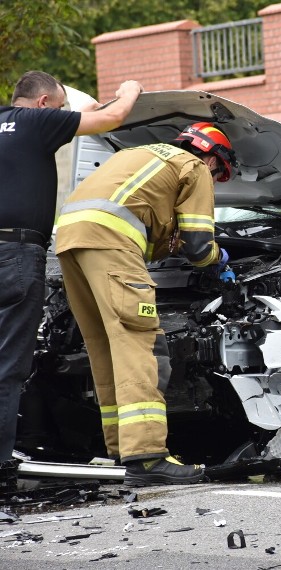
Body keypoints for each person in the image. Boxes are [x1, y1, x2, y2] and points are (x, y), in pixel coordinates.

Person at [54, 122, 236, 486]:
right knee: (142, 344)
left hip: (69, 241)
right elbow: (200, 247)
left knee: (105, 347)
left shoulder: (137, 155)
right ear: (211, 155)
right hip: (111, 241)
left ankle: (120, 449)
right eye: (220, 173)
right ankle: (148, 457)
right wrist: (219, 259)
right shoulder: (193, 166)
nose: (215, 181)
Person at [0, 71, 144, 466]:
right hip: (16, 253)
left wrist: (78, 105)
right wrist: (129, 90)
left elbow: (83, 113)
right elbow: (107, 119)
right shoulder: (37, 121)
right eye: (59, 106)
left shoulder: (5, 120)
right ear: (44, 103)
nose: (63, 114)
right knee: (8, 367)